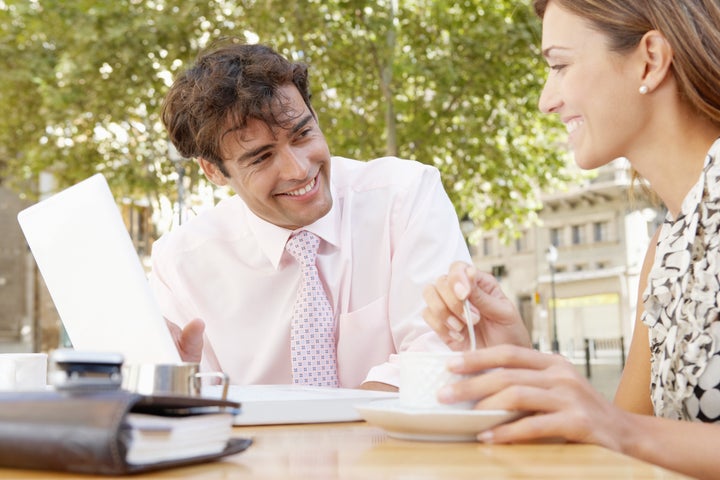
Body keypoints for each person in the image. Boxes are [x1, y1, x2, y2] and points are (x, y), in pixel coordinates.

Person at [421, 0, 720, 478]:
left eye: (560, 65)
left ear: (651, 59)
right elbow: (618, 449)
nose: (546, 100)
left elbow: (627, 433)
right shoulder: (665, 249)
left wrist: (622, 430)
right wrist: (520, 365)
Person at [151, 39, 471, 391]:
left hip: (392, 443)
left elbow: (442, 351)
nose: (299, 169)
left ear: (315, 117)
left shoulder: (406, 196)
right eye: (261, 157)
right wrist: (175, 386)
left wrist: (338, 432)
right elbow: (194, 400)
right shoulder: (180, 263)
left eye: (303, 134)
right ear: (213, 171)